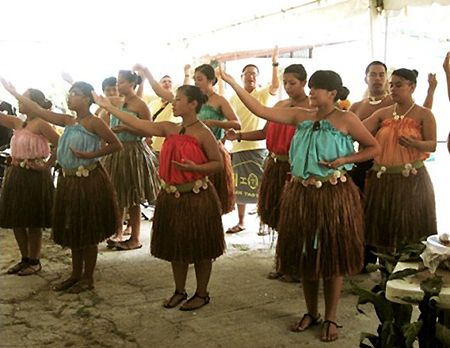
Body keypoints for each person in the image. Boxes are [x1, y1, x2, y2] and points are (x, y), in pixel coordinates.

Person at [220, 67, 380, 342]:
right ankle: (311, 312)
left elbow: (373, 147)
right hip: (302, 195)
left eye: (316, 88)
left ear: (331, 93)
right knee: (307, 255)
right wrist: (232, 82)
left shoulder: (347, 119)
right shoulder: (299, 116)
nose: (311, 92)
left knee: (331, 256)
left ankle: (331, 316)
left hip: (333, 195)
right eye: (311, 87)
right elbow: (260, 110)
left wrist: (344, 161)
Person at [93, 84, 225, 311]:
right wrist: (108, 107)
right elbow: (138, 123)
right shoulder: (169, 128)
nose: (173, 103)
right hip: (171, 198)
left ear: (193, 104)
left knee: (202, 248)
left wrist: (198, 168)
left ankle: (202, 294)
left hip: (197, 197)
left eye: (178, 99)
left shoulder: (203, 133)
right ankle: (179, 290)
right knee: (177, 246)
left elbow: (218, 164)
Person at [2, 79, 123, 293]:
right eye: (69, 93)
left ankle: (88, 277)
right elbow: (38, 109)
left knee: (88, 230)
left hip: (88, 181)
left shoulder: (95, 123)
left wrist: (91, 155)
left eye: (74, 93)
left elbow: (116, 144)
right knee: (73, 228)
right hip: (69, 182)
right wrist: (13, 92)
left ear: (87, 98)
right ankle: (75, 275)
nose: (69, 96)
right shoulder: (68, 120)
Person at [226, 63, 312, 280]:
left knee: (298, 221)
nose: (289, 87)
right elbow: (265, 132)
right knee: (280, 220)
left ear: (304, 82)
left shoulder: (312, 109)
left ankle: (299, 266)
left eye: (293, 83)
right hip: (275, 166)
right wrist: (238, 136)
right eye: (286, 83)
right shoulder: (281, 104)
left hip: (296, 170)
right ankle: (284, 263)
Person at [350, 61, 437, 270]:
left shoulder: (424, 114)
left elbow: (432, 144)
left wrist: (416, 144)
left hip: (411, 180)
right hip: (383, 179)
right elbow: (359, 130)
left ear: (412, 87)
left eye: (399, 85)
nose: (393, 89)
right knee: (384, 227)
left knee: (409, 229)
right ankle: (386, 271)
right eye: (393, 84)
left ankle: (407, 271)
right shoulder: (384, 113)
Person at [0, 89, 59, 276]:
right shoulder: (19, 122)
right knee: (16, 219)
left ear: (34, 103)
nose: (18, 101)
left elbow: (60, 143)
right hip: (16, 175)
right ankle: (24, 258)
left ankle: (34, 260)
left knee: (33, 220)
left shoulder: (42, 124)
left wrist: (47, 165)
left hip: (35, 176)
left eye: (23, 98)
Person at [102, 70, 160, 249]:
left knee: (133, 197)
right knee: (117, 194)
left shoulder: (140, 105)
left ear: (132, 84)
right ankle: (118, 232)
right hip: (116, 152)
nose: (118, 86)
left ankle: (135, 238)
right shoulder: (118, 102)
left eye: (121, 82)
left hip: (133, 151)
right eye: (118, 82)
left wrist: (128, 128)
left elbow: (149, 130)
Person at [226, 46, 280, 233]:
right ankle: (241, 222)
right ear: (241, 77)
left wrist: (274, 63)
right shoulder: (233, 98)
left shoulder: (262, 94)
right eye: (247, 74)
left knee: (259, 187)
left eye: (254, 74)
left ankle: (263, 224)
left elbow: (275, 86)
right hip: (238, 147)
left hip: (258, 147)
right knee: (240, 187)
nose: (251, 77)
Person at [192, 63, 241, 214]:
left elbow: (237, 123)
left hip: (213, 151)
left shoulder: (219, 100)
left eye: (200, 79)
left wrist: (215, 123)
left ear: (211, 80)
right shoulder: (194, 100)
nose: (196, 82)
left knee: (213, 200)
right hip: (194, 151)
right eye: (195, 79)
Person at [133, 67, 181, 155]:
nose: (167, 83)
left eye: (169, 81)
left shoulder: (176, 102)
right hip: (151, 147)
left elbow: (158, 91)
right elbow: (137, 99)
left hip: (170, 147)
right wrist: (142, 80)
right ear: (159, 84)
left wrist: (146, 71)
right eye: (164, 81)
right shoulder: (152, 102)